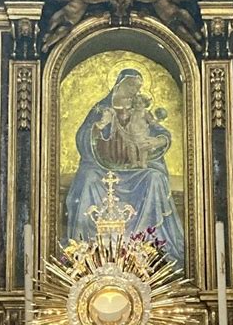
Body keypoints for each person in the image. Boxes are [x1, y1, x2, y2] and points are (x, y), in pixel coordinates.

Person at [65, 68, 185, 264]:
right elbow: (82, 137)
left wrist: (158, 141)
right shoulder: (101, 108)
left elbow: (160, 131)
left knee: (155, 178)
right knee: (88, 179)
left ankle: (145, 248)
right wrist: (99, 126)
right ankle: (84, 251)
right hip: (102, 167)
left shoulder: (141, 110)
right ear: (119, 84)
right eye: (131, 85)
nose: (134, 91)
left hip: (136, 167)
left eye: (138, 87)